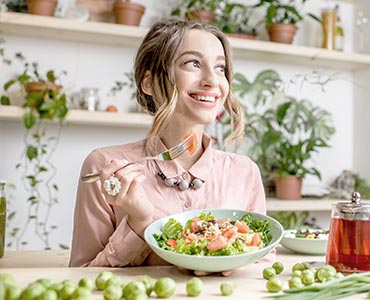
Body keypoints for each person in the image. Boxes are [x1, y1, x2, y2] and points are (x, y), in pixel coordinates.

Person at [69, 17, 268, 270]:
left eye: (220, 68)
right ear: (149, 83)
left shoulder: (244, 172)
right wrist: (139, 223)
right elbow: (81, 276)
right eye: (193, 63)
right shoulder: (107, 168)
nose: (212, 80)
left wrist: (235, 263)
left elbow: (261, 270)